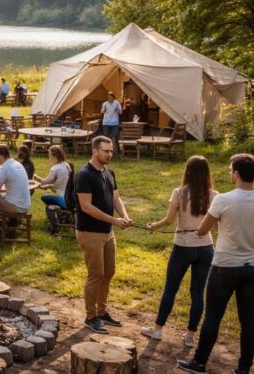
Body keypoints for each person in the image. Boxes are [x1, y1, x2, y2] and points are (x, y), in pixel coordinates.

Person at [178, 154, 254, 374]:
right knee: (248, 318)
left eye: (231, 170)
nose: (230, 173)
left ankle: (199, 363)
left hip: (225, 267)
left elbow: (202, 230)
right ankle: (244, 369)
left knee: (213, 316)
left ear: (236, 173)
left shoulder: (223, 199)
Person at [141, 156, 218, 347]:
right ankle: (190, 336)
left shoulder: (179, 193)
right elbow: (215, 225)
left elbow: (168, 220)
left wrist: (153, 226)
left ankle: (157, 330)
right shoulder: (214, 195)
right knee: (198, 293)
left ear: (188, 171)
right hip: (206, 248)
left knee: (171, 288)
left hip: (183, 247)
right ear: (207, 173)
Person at [75, 136, 133, 334]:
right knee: (95, 275)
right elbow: (86, 207)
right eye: (106, 151)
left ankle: (102, 312)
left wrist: (124, 215)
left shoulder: (109, 172)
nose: (110, 154)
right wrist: (114, 221)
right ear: (94, 151)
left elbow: (116, 197)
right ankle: (90, 317)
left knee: (109, 272)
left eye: (111, 151)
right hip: (90, 232)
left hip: (108, 233)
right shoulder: (84, 175)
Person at [36, 145, 74, 234]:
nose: (48, 156)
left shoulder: (56, 168)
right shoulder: (66, 165)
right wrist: (49, 186)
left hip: (63, 199)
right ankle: (63, 216)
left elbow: (44, 181)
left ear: (54, 155)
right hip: (70, 197)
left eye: (49, 154)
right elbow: (61, 183)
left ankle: (55, 225)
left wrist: (35, 177)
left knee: (44, 197)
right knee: (49, 197)